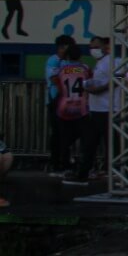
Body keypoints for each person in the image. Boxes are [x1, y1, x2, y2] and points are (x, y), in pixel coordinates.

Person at [76, 36, 123, 186]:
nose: (93, 50)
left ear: (105, 46)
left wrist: (97, 89)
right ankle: (84, 173)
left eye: (96, 47)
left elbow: (117, 80)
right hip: (96, 109)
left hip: (109, 109)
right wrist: (90, 86)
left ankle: (115, 174)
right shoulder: (99, 63)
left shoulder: (114, 61)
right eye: (91, 47)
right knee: (90, 143)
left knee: (110, 144)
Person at [54, 44, 91, 179]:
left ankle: (65, 166)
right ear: (80, 56)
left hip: (64, 108)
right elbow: (90, 83)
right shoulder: (85, 68)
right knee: (85, 138)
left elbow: (57, 85)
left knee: (64, 140)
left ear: (68, 56)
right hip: (82, 108)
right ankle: (82, 166)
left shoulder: (61, 69)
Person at [44, 34, 73, 174]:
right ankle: (55, 163)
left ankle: (65, 162)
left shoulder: (68, 62)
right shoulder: (53, 60)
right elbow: (54, 79)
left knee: (66, 133)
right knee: (56, 133)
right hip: (55, 101)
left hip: (67, 102)